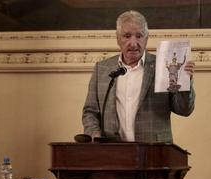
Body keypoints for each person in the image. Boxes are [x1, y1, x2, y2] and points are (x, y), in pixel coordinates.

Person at [82, 10, 195, 143]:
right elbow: (90, 112)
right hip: (112, 153)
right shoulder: (102, 69)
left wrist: (185, 81)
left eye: (139, 36)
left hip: (154, 152)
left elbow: (184, 110)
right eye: (127, 36)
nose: (133, 43)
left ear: (147, 38)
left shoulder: (162, 66)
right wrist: (94, 134)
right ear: (118, 38)